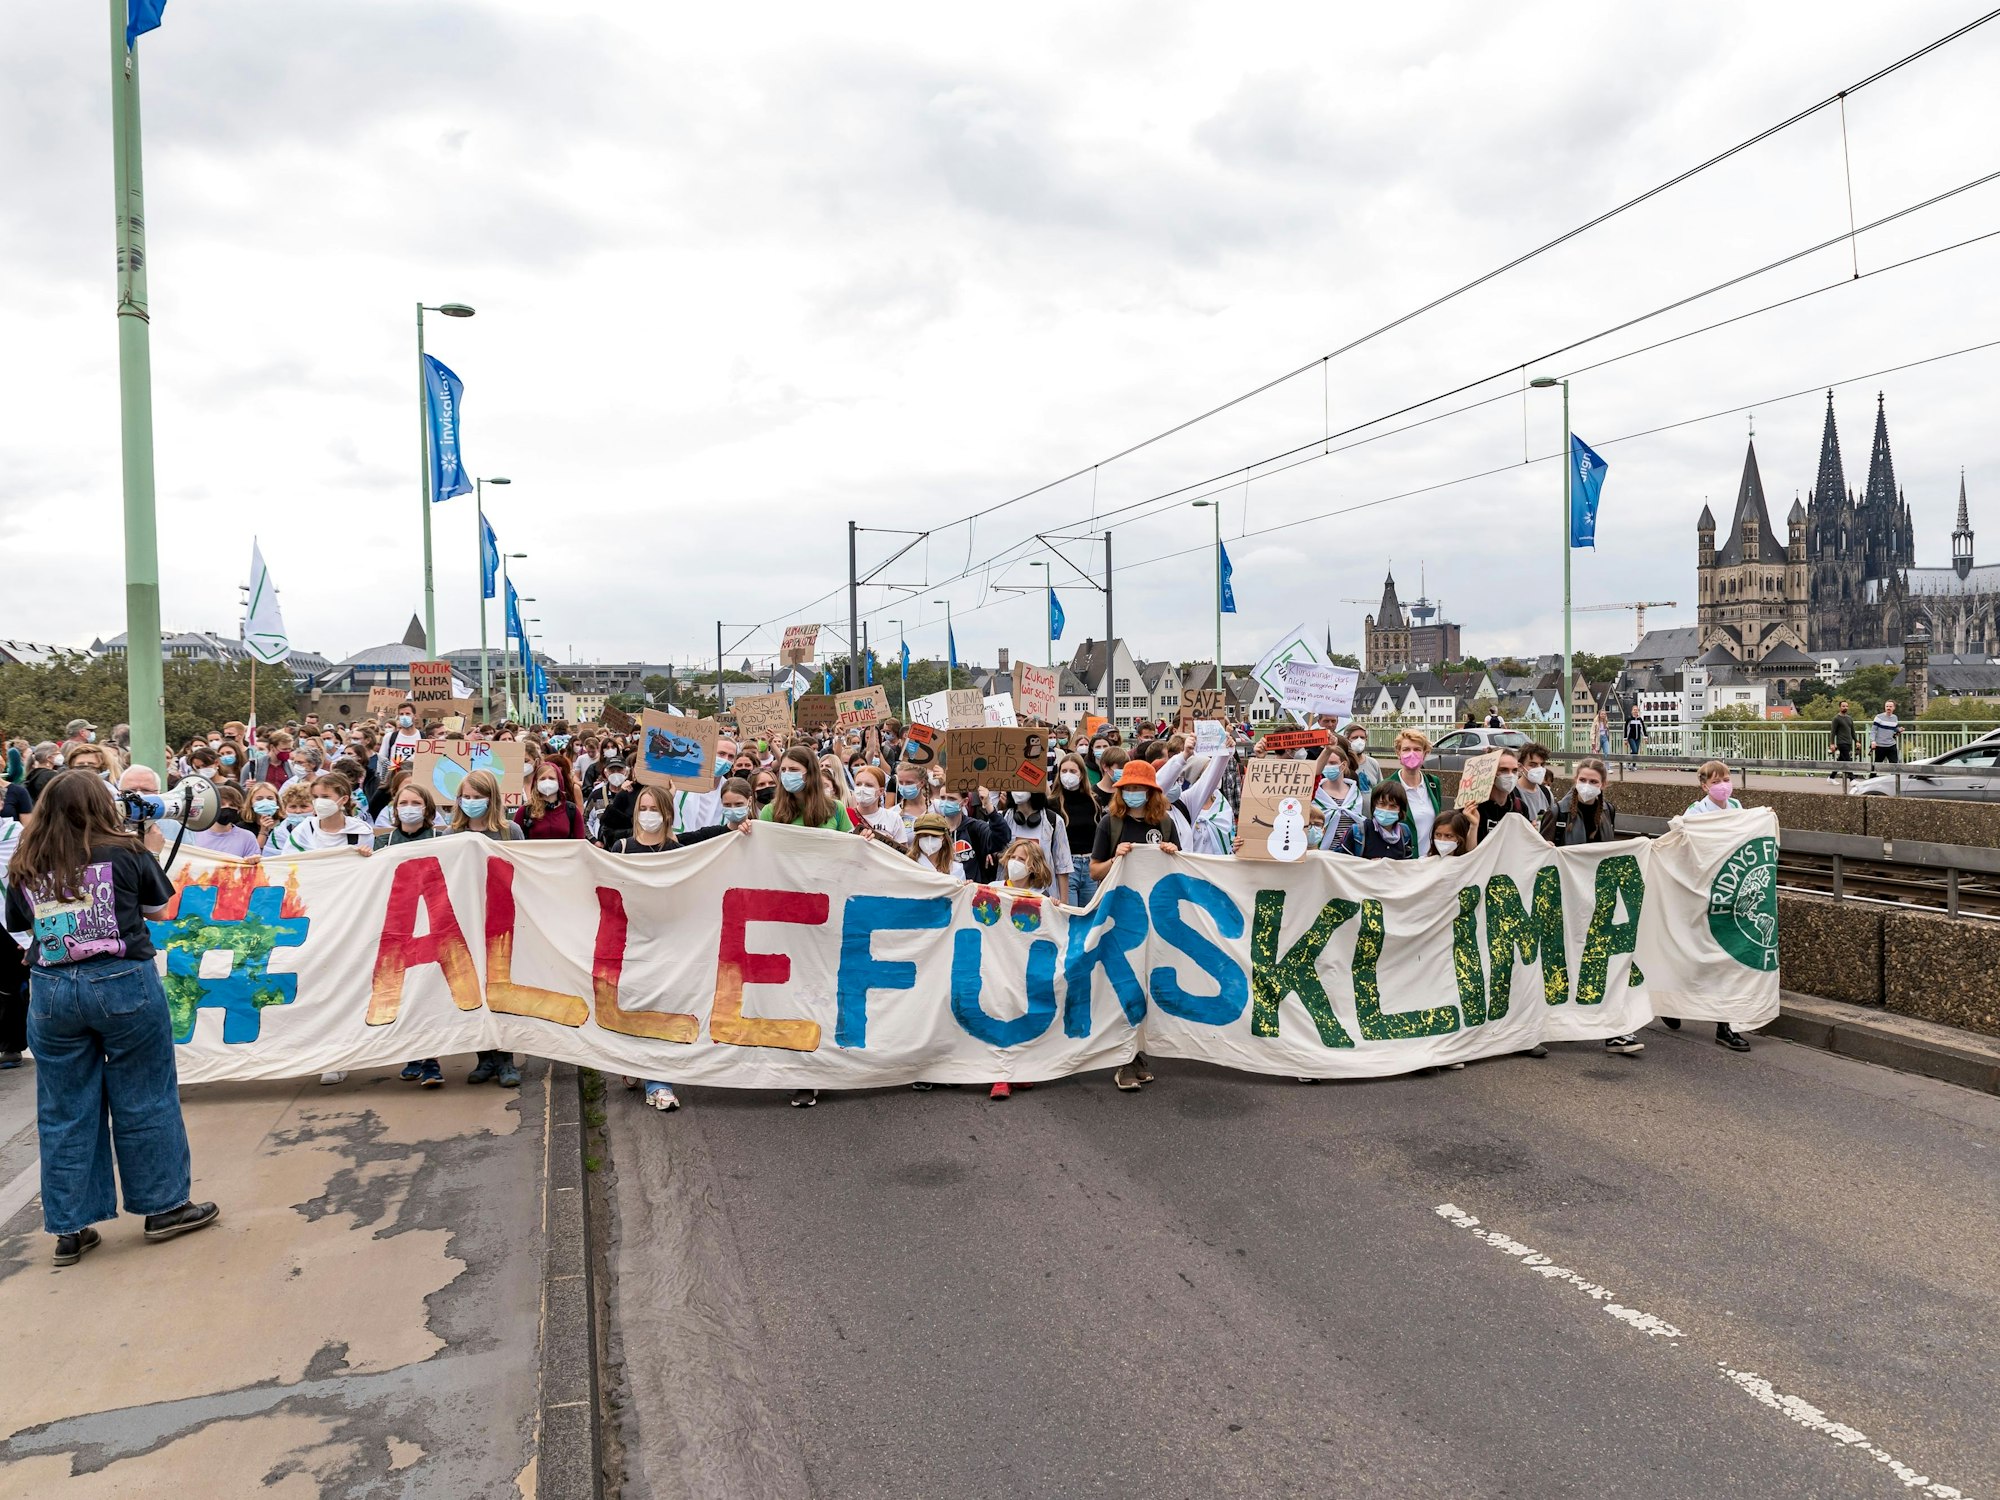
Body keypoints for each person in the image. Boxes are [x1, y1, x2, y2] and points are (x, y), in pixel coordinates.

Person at [4, 770, 219, 1265]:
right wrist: (152, 850)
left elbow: (21, 925)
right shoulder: (125, 850)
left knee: (64, 1110)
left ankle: (70, 1227)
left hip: (52, 992)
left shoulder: (26, 860)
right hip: (122, 982)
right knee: (145, 1096)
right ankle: (164, 1208)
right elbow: (159, 911)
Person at [609, 782, 754, 1112]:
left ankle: (658, 1081)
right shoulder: (621, 847)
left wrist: (740, 827)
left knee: (665, 1007)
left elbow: (720, 834)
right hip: (634, 942)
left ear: (668, 814)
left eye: (655, 809)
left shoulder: (681, 848)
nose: (648, 815)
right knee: (636, 1006)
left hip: (673, 943)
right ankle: (636, 1059)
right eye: (643, 809)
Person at [1087, 758, 1181, 1093]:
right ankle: (1123, 1060)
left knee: (1147, 988)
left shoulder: (1166, 824)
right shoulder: (1110, 823)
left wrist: (1172, 853)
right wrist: (1116, 859)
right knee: (1124, 988)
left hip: (1155, 920)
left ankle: (1138, 1055)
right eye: (1128, 788)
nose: (1133, 793)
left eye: (1139, 788)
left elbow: (1180, 873)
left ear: (1152, 792)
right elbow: (1095, 871)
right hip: (1121, 920)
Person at [452, 770, 527, 1087]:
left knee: (500, 990)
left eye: (477, 797)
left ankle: (506, 1059)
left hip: (502, 921)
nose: (471, 802)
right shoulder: (451, 834)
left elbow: (526, 870)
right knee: (474, 991)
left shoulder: (510, 831)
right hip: (468, 922)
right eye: (466, 797)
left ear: (491, 798)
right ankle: (484, 1058)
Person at [986, 839, 1055, 1100]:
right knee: (1001, 1013)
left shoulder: (1040, 898)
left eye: (1022, 859)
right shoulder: (992, 888)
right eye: (1013, 857)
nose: (1015, 863)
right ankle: (1000, 1076)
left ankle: (1019, 1069)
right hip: (996, 964)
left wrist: (1055, 910)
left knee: (1023, 1014)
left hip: (1024, 967)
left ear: (1033, 866)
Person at [988, 789, 1071, 898]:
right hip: (1005, 894)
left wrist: (1063, 902)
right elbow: (988, 847)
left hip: (1045, 896)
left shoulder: (1054, 821)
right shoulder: (1001, 819)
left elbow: (1063, 866)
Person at [759, 747, 855, 832]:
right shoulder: (770, 811)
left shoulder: (836, 808)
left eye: (793, 770)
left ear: (811, 773)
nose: (787, 774)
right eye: (783, 770)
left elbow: (850, 842)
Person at [1054, 751, 1099, 905]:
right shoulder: (1053, 802)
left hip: (1090, 864)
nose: (1068, 775)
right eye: (1064, 771)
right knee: (1070, 914)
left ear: (1081, 774)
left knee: (1090, 914)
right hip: (1067, 867)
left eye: (1073, 771)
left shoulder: (1094, 801)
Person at [1462, 749, 1528, 852]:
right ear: (1489, 772)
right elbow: (1468, 853)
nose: (1510, 775)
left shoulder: (1520, 807)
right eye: (1503, 770)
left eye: (1514, 770)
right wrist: (1473, 826)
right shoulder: (1472, 808)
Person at [1391, 729, 1443, 856]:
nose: (1412, 753)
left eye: (1417, 749)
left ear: (1425, 753)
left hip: (1431, 860)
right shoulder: (1387, 787)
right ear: (1398, 753)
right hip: (1403, 861)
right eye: (1406, 749)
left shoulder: (1433, 783)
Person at [181, 783, 263, 860]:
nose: (227, 807)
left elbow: (254, 866)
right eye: (221, 804)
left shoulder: (247, 837)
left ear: (238, 810)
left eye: (232, 805)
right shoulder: (192, 834)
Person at [517, 758, 588, 840]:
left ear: (559, 781)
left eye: (551, 778)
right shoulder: (525, 811)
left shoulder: (572, 810)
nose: (547, 782)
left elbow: (580, 841)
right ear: (536, 783)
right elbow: (515, 842)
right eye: (542, 779)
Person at [1352, 780, 1416, 859]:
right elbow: (1342, 862)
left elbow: (1408, 863)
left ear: (1401, 810)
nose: (1386, 809)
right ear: (1374, 805)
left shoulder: (1404, 833)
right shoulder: (1359, 832)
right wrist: (1368, 864)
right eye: (1382, 804)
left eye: (1393, 806)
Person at [1830, 699, 1856, 783]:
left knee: (1841, 760)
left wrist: (1857, 741)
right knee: (1847, 760)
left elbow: (1852, 731)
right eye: (1843, 706)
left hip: (1849, 742)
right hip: (1841, 742)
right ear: (1840, 707)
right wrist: (1832, 743)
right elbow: (1833, 732)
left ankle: (1831, 777)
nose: (1845, 707)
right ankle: (1852, 779)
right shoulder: (1836, 718)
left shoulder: (1849, 718)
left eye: (1846, 706)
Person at [1870, 700, 1901, 764]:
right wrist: (1873, 741)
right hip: (1880, 744)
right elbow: (1873, 730)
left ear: (1894, 708)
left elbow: (1894, 728)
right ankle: (1874, 771)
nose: (1888, 708)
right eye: (1887, 706)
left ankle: (1894, 771)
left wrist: (1899, 730)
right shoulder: (1879, 717)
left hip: (1891, 744)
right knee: (1877, 764)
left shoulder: (1895, 717)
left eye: (1890, 706)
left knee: (1894, 764)